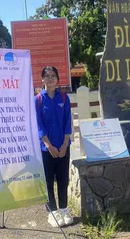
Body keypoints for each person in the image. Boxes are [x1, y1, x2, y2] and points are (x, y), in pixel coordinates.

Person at [35, 66, 73, 227]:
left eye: (53, 76)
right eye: (47, 76)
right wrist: (48, 145)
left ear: (57, 79)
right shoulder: (37, 100)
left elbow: (67, 122)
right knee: (48, 181)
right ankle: (52, 212)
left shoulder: (64, 98)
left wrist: (65, 144)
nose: (50, 79)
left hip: (63, 145)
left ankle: (64, 209)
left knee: (63, 179)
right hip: (46, 148)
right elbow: (39, 125)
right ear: (42, 79)